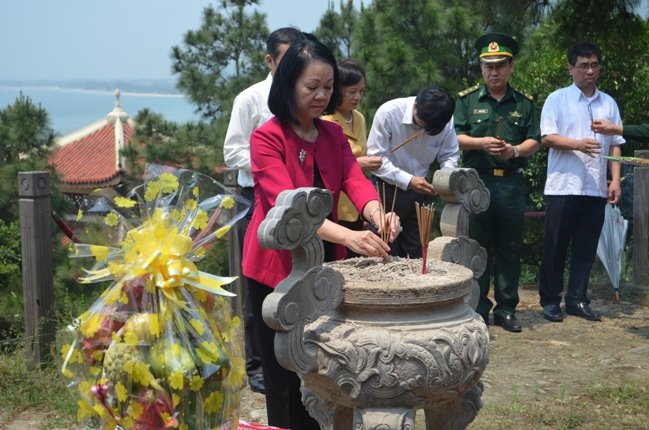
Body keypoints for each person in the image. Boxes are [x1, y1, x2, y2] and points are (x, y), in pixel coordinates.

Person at [242, 39, 401, 429]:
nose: (321, 95)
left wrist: (377, 213)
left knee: (325, 366)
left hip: (326, 264)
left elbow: (353, 177)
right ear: (288, 84)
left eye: (328, 87)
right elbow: (287, 208)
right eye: (311, 86)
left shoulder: (331, 135)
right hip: (276, 270)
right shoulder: (267, 137)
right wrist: (349, 237)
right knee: (283, 378)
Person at [223, 27, 306, 395]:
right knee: (259, 283)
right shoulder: (250, 99)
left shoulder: (303, 97)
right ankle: (257, 365)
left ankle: (298, 354)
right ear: (270, 60)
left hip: (296, 198)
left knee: (297, 280)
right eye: (285, 59)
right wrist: (269, 165)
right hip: (257, 196)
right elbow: (233, 152)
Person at [453, 33, 541, 332]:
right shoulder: (467, 101)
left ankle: (506, 309)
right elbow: (456, 138)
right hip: (477, 184)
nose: (494, 72)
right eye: (488, 66)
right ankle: (477, 307)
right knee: (477, 248)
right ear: (480, 68)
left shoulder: (524, 103)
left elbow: (535, 140)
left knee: (509, 248)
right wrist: (480, 143)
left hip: (511, 186)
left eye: (500, 66)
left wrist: (514, 150)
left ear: (511, 67)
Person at [539, 41, 624, 323]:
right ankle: (550, 300)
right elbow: (547, 138)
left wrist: (615, 181)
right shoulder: (557, 99)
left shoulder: (609, 102)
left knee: (586, 247)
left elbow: (614, 145)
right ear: (571, 68)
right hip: (563, 185)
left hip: (595, 188)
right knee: (556, 246)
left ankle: (577, 299)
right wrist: (578, 144)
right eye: (584, 65)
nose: (590, 71)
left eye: (595, 65)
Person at [366, 87, 460, 259]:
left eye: (433, 130)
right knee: (384, 251)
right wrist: (409, 180)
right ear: (415, 106)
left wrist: (443, 180)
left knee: (416, 251)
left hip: (422, 194)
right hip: (387, 190)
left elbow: (450, 155)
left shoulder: (445, 120)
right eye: (421, 125)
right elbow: (376, 160)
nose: (424, 131)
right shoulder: (388, 113)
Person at [322, 59, 382, 257]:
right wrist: (360, 163)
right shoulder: (324, 121)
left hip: (358, 203)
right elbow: (325, 166)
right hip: (335, 206)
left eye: (362, 91)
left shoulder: (359, 118)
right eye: (352, 91)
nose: (358, 97)